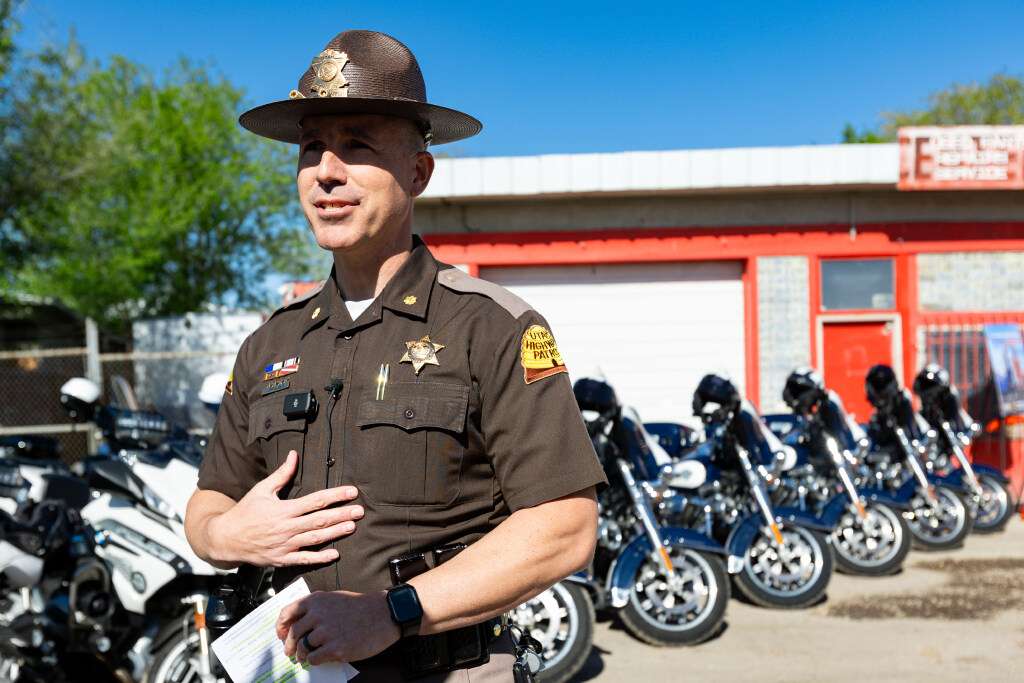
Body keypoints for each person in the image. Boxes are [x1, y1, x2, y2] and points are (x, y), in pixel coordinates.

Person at [183, 29, 606, 681]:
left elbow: (566, 526)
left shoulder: (491, 326)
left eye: (357, 145)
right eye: (311, 147)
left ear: (417, 172)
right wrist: (226, 536)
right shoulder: (270, 343)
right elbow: (208, 505)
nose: (326, 170)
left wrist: (392, 610)